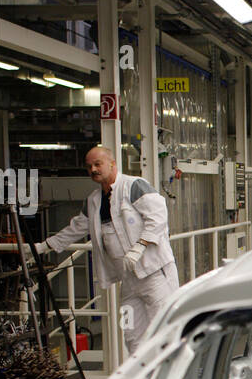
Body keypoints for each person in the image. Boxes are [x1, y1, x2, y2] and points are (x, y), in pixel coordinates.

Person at [36, 145, 179, 354]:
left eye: (97, 164)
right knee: (132, 335)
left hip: (155, 273)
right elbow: (76, 228)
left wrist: (140, 246)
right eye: (89, 166)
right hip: (128, 280)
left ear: (112, 163)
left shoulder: (134, 186)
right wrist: (43, 247)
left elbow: (158, 217)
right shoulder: (94, 201)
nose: (93, 169)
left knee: (165, 329)